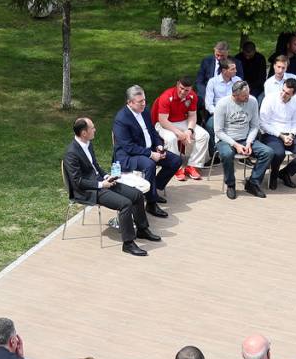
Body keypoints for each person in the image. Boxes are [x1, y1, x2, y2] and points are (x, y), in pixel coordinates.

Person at [64, 116, 160, 256]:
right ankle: (128, 243)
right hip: (89, 190)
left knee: (137, 195)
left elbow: (94, 166)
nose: (95, 130)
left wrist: (106, 177)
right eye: (92, 128)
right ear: (84, 133)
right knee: (125, 204)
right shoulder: (71, 153)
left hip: (101, 182)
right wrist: (101, 184)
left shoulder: (88, 144)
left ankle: (142, 229)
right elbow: (77, 182)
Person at [113, 85, 181, 213]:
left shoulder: (144, 111)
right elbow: (128, 147)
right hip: (129, 156)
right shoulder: (121, 119)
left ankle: (152, 191)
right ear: (130, 102)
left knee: (175, 161)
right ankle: (151, 203)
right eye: (140, 102)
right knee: (149, 164)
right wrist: (151, 154)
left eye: (144, 100)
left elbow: (152, 132)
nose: (143, 104)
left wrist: (159, 146)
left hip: (149, 149)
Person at [213, 80, 274, 200]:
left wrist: (249, 143)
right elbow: (218, 131)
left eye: (248, 94)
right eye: (244, 96)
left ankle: (253, 183)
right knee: (227, 154)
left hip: (245, 138)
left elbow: (255, 126)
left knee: (268, 152)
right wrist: (236, 145)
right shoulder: (222, 104)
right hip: (226, 139)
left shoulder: (253, 101)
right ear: (235, 95)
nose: (247, 97)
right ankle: (231, 184)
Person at [258, 77, 296, 190]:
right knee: (279, 153)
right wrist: (281, 136)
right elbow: (263, 123)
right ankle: (274, 175)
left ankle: (285, 173)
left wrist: (291, 135)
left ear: (293, 94)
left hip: (289, 133)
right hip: (272, 133)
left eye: (287, 93)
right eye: (283, 90)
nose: (283, 94)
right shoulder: (270, 98)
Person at [152, 77, 209, 182]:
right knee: (171, 138)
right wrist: (179, 133)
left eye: (186, 90)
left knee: (204, 135)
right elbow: (163, 120)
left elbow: (192, 116)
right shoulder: (166, 96)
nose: (183, 92)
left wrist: (189, 130)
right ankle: (175, 167)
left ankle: (193, 165)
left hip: (183, 121)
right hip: (164, 123)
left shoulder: (192, 96)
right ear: (178, 84)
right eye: (181, 88)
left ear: (191, 89)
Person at [196, 41, 230, 109]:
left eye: (222, 56)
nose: (219, 58)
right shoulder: (206, 61)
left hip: (226, 93)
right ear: (214, 51)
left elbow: (237, 82)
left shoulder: (235, 63)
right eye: (217, 55)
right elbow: (199, 81)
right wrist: (206, 95)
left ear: (227, 53)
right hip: (207, 92)